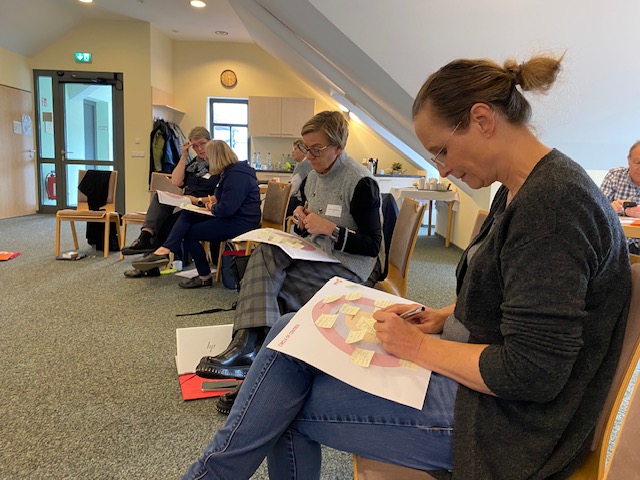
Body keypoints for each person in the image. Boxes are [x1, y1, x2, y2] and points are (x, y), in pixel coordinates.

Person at [182, 55, 631, 480]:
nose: (444, 170)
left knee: (282, 406)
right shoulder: (521, 189)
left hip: (509, 425)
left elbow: (531, 373)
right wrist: (443, 315)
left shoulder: (552, 207)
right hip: (481, 385)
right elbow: (519, 297)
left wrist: (416, 348)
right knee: (287, 330)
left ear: (482, 119)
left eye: (441, 151)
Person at [196, 111, 382, 380]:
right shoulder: (314, 176)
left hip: (351, 266)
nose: (309, 156)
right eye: (306, 148)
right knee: (266, 252)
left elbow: (372, 246)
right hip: (318, 255)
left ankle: (252, 354)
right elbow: (309, 221)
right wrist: (301, 220)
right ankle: (250, 351)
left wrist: (331, 229)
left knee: (270, 285)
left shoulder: (360, 182)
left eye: (316, 149)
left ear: (339, 147)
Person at [132, 140, 261, 288]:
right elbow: (226, 202)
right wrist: (213, 206)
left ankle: (200, 273)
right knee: (188, 214)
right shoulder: (231, 172)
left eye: (209, 157)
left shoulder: (236, 175)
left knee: (190, 234)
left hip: (242, 223)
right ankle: (166, 250)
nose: (208, 161)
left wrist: (213, 208)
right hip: (233, 218)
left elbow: (227, 208)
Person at [121, 126, 219, 277]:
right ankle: (145, 237)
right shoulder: (193, 164)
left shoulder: (219, 164)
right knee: (159, 198)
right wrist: (183, 156)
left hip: (203, 207)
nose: (199, 149)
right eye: (195, 146)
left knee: (168, 221)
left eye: (202, 144)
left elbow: (221, 196)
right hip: (186, 204)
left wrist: (197, 200)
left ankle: (149, 260)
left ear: (210, 142)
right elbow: (176, 181)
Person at [600, 140, 640, 254]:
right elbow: (596, 209)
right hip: (616, 244)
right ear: (628, 160)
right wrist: (609, 208)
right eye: (637, 162)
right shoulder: (615, 176)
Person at [286, 138, 313, 216]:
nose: (293, 152)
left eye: (295, 149)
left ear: (303, 151)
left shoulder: (302, 165)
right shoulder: (309, 163)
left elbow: (293, 189)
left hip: (299, 203)